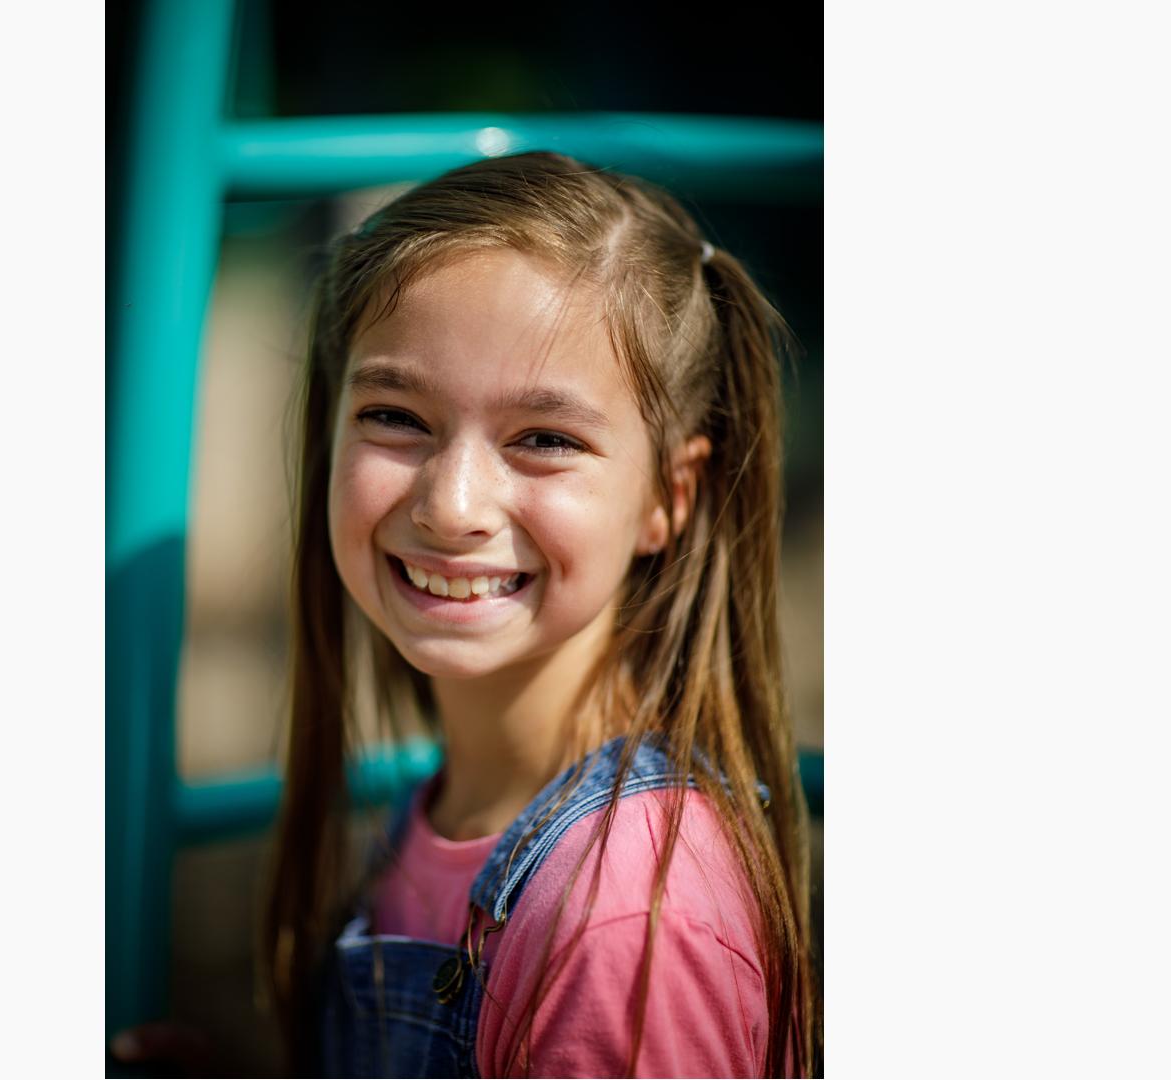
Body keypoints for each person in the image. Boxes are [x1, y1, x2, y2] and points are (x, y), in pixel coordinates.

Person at [259, 150, 819, 1078]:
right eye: (395, 416)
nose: (452, 503)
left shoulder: (625, 920)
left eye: (546, 439)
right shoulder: (445, 809)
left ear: (668, 498)